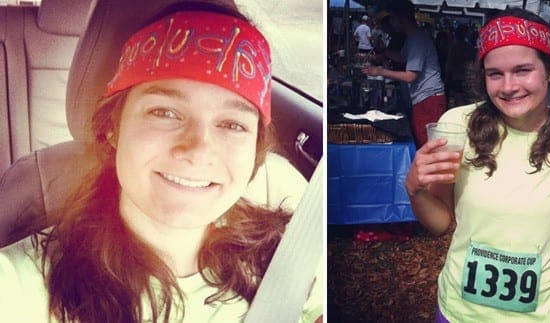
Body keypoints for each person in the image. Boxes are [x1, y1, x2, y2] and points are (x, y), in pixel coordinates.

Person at [0, 3, 322, 323]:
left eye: (232, 124)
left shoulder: (296, 255)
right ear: (114, 127)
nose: (198, 150)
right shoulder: (20, 286)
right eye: (165, 113)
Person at [405, 8, 550, 322]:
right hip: (460, 313)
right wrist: (416, 191)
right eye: (495, 74)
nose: (508, 86)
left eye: (523, 70)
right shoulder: (456, 125)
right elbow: (441, 224)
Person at [362, 1, 446, 148]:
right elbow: (402, 58)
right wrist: (386, 53)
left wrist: (380, 71)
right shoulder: (413, 37)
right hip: (423, 98)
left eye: (393, 18)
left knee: (428, 145)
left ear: (403, 19)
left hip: (429, 99)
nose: (392, 23)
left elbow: (410, 76)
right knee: (422, 141)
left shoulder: (418, 39)